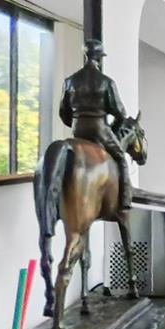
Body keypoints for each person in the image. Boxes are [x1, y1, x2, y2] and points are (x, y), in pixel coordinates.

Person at [59, 39, 132, 211]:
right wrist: (111, 129)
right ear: (99, 58)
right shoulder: (106, 82)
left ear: (85, 55)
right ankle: (125, 201)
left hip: (78, 130)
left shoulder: (69, 81)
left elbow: (63, 112)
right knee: (121, 158)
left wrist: (75, 123)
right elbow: (120, 113)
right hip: (99, 129)